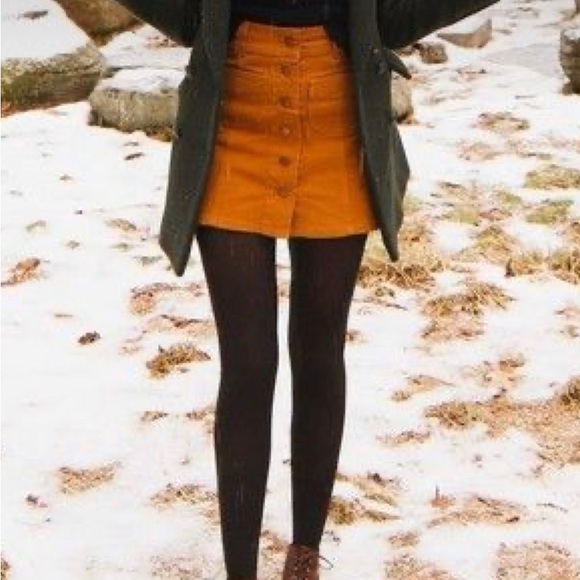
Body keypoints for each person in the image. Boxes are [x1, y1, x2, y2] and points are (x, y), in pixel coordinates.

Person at [111, 1, 499, 578]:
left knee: (319, 354)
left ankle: (304, 557)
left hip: (338, 117)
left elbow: (391, 19)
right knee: (248, 365)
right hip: (232, 117)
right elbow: (192, 18)